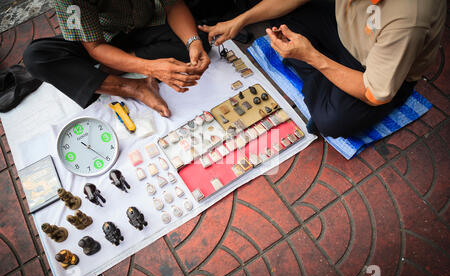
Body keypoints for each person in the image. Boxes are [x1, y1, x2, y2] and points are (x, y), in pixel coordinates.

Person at [199, 0, 446, 138]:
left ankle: (318, 77)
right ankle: (323, 84)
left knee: (332, 122)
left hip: (374, 69)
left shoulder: (408, 18)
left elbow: (375, 92)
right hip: (342, 29)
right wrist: (240, 20)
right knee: (280, 24)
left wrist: (312, 57)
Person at [23, 0, 211, 117]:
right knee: (37, 57)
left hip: (145, 26)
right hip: (102, 37)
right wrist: (150, 68)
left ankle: (118, 64)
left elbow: (173, 4)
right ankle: (134, 87)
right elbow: (95, 47)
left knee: (201, 38)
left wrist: (192, 42)